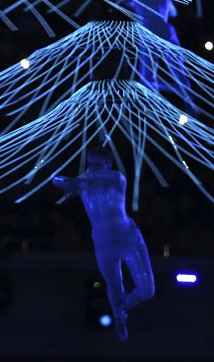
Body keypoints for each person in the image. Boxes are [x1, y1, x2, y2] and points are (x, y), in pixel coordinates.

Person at [52, 146, 154, 341]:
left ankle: (123, 306)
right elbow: (56, 180)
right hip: (103, 244)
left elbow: (105, 178)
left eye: (97, 165)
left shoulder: (117, 179)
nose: (92, 169)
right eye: (90, 164)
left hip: (129, 239)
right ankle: (119, 316)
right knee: (114, 285)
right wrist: (70, 182)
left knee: (147, 290)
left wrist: (75, 181)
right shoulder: (83, 183)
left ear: (108, 164)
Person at [127, 0, 197, 115]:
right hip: (165, 32)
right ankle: (189, 104)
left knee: (147, 79)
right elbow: (173, 13)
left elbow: (121, 2)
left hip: (149, 35)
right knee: (179, 74)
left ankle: (153, 109)